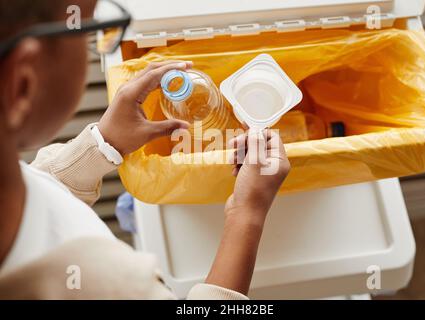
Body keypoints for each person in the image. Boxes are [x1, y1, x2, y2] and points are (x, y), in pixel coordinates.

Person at [0, 0, 290, 299]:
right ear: (23, 83)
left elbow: (42, 187)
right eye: (88, 28)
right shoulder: (105, 284)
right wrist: (246, 214)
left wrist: (104, 142)